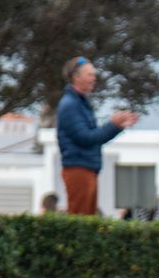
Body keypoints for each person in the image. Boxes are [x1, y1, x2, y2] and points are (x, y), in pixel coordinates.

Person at [56, 56, 138, 215]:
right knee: (81, 218)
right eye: (89, 74)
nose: (94, 78)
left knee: (88, 217)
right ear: (76, 77)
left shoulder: (80, 104)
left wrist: (116, 127)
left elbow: (94, 138)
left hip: (87, 168)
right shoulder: (70, 105)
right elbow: (86, 138)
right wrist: (112, 125)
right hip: (78, 168)